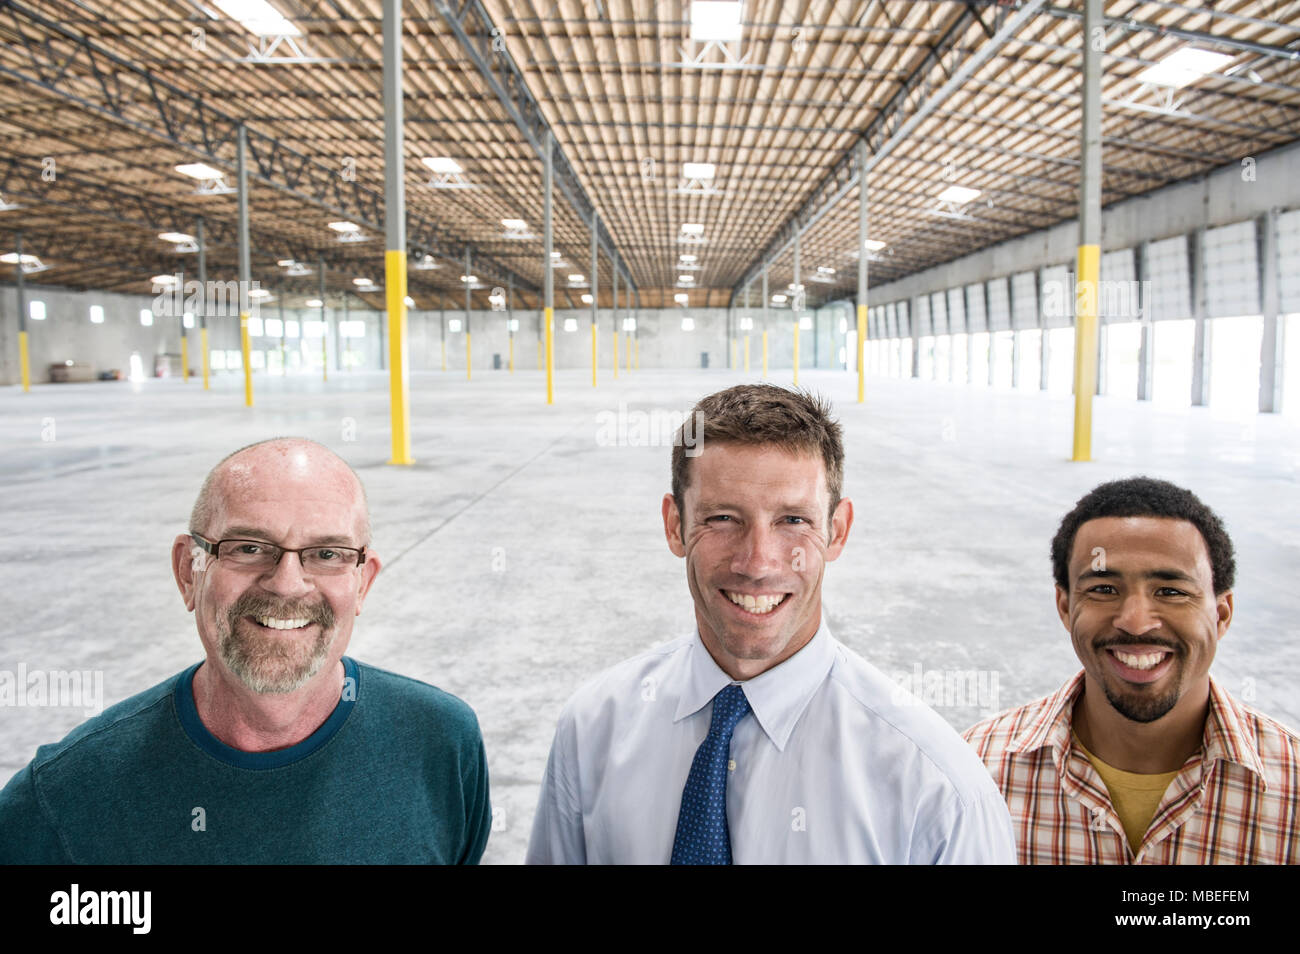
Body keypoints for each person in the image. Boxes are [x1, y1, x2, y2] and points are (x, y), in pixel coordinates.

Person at [526, 384, 1016, 864]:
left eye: (793, 521)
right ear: (674, 525)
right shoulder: (592, 729)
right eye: (722, 517)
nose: (757, 562)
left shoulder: (937, 789)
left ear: (837, 531)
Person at [0, 437, 491, 864]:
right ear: (188, 572)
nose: (287, 584)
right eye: (249, 547)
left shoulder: (442, 744)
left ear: (363, 583)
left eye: (327, 554)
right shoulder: (66, 797)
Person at [964, 476, 1299, 864]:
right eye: (1104, 589)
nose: (1136, 623)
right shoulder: (977, 774)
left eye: (1171, 592)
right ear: (1066, 607)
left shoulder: (1291, 786)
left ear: (1221, 615)